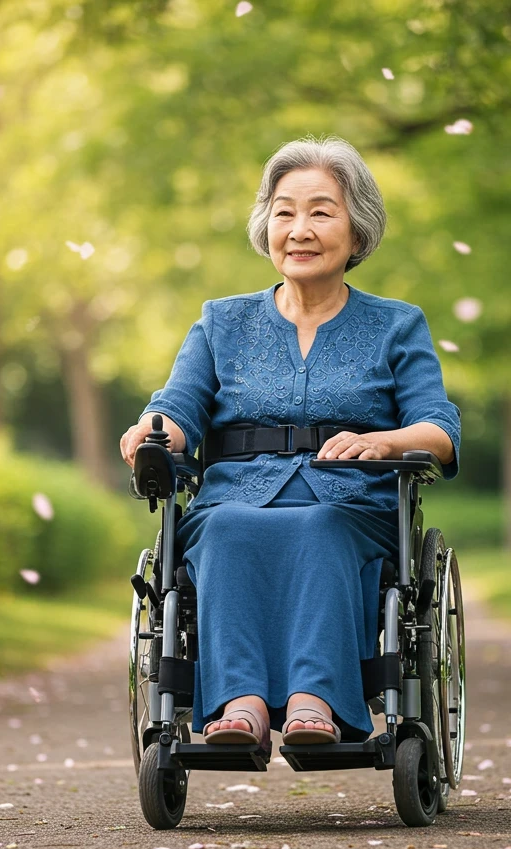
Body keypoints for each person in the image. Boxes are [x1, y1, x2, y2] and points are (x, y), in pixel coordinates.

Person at [119, 135, 461, 750]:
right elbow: (178, 407)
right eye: (284, 213)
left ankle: (315, 701)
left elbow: (439, 429)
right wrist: (153, 430)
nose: (300, 230)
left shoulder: (396, 325)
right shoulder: (222, 322)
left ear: (357, 231)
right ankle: (240, 705)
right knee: (227, 528)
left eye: (321, 213)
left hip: (351, 507)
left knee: (320, 526)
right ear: (267, 227)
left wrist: (384, 442)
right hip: (233, 500)